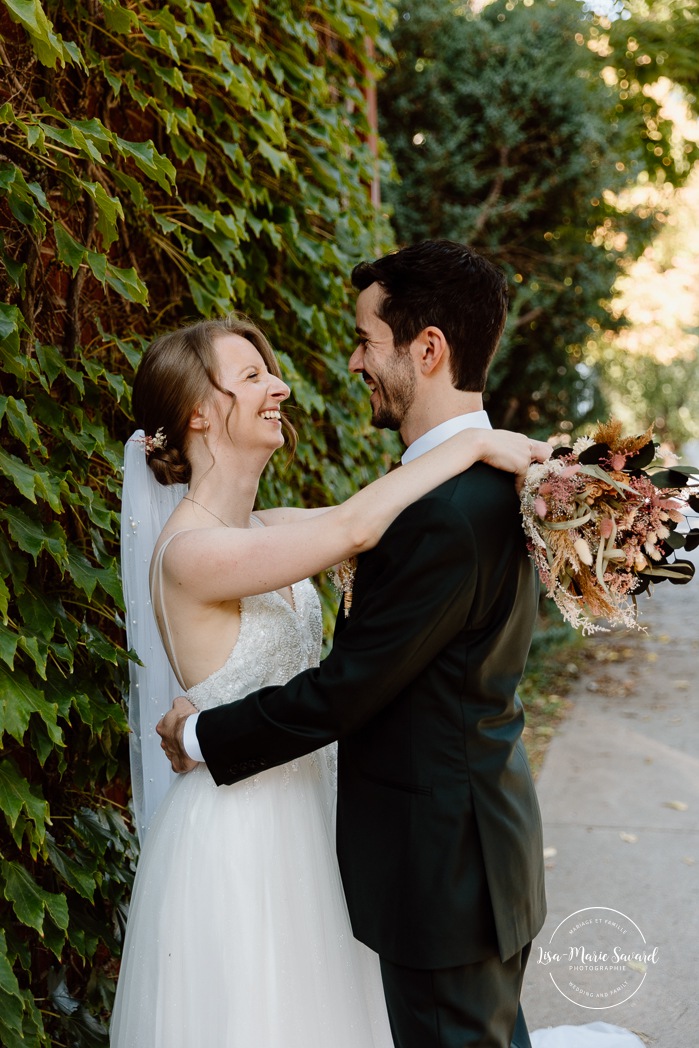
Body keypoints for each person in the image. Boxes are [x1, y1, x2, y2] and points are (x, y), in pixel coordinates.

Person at [112, 309, 550, 1048]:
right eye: (251, 375)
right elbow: (355, 528)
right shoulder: (189, 552)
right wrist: (474, 440)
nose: (278, 385)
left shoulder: (266, 530)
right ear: (196, 411)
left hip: (314, 818)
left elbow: (398, 522)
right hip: (239, 836)